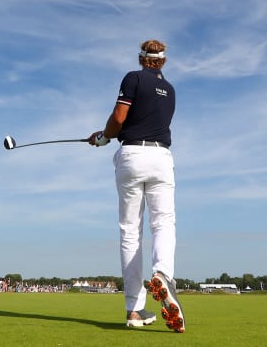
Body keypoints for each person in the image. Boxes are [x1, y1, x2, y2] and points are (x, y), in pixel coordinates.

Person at [88, 39, 177, 331]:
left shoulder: (133, 77)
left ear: (142, 58)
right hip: (161, 157)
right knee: (163, 223)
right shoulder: (171, 90)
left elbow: (119, 118)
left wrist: (103, 137)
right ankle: (163, 273)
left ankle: (134, 309)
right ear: (162, 61)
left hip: (132, 155)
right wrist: (109, 132)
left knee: (130, 232)